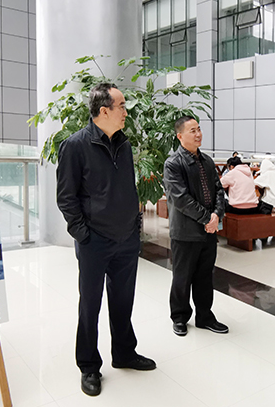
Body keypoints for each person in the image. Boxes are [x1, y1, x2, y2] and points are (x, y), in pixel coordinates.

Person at [57, 83, 156, 397]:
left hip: (126, 238)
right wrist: (83, 235)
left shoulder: (124, 144)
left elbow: (127, 188)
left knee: (123, 300)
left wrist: (135, 225)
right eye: (122, 106)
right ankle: (88, 365)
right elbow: (66, 197)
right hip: (94, 241)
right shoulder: (75, 146)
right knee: (90, 305)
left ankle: (124, 352)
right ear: (104, 111)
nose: (126, 112)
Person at [163, 116, 229, 337]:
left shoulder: (207, 161)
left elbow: (219, 190)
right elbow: (181, 199)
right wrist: (208, 219)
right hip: (185, 232)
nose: (198, 134)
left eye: (199, 129)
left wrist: (216, 215)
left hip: (208, 231)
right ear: (180, 136)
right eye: (192, 131)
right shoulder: (173, 164)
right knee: (182, 277)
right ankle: (180, 317)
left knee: (205, 276)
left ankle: (204, 316)